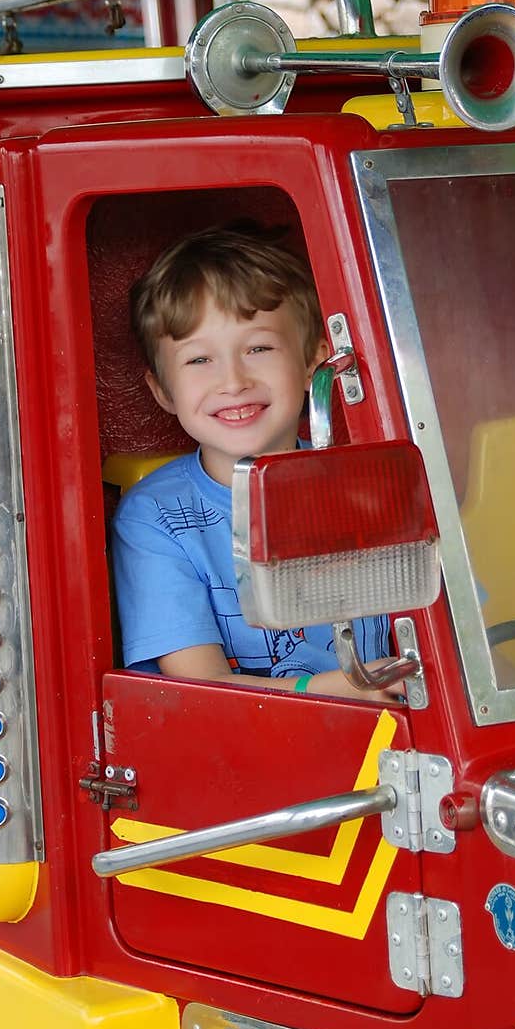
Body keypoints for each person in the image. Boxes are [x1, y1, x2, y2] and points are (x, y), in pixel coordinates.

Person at [111, 219, 406, 702]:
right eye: (199, 360)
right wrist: (346, 688)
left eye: (259, 348)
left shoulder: (368, 487)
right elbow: (201, 689)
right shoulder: (154, 518)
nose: (233, 380)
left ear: (314, 358)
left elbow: (451, 632)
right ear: (163, 391)